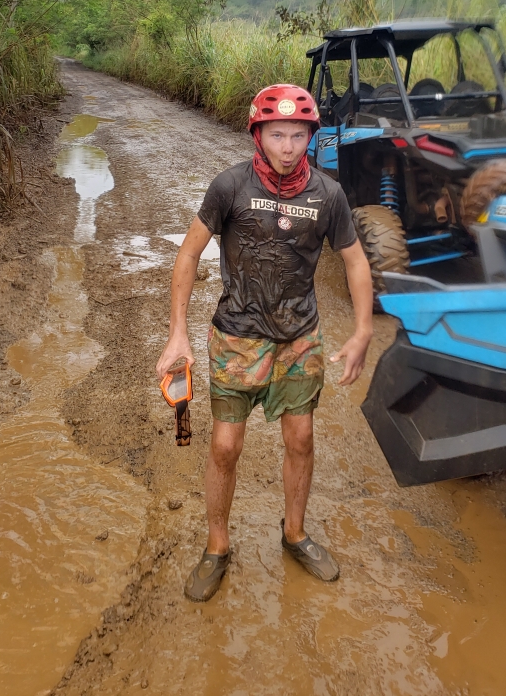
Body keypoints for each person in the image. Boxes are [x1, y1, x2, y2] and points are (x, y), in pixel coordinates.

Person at [156, 83, 373, 602]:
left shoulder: (328, 194)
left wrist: (364, 330)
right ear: (258, 134)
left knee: (300, 439)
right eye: (277, 134)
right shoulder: (229, 186)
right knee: (225, 446)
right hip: (236, 338)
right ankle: (217, 545)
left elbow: (355, 260)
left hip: (299, 340)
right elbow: (187, 256)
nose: (288, 146)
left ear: (311, 138)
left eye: (299, 135)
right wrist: (177, 333)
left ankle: (294, 533)